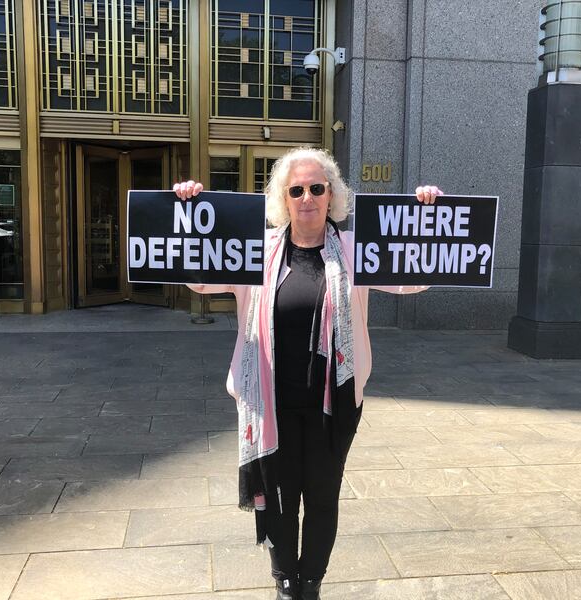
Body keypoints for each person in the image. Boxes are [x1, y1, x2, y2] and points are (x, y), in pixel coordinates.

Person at [173, 147, 441, 600]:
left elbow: (413, 278)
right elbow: (199, 278)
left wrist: (427, 216)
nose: (307, 198)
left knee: (321, 496)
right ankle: (284, 582)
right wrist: (186, 210)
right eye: (296, 190)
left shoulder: (355, 250)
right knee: (280, 497)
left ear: (332, 194)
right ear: (284, 198)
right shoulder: (255, 249)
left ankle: (311, 581)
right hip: (271, 403)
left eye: (317, 188)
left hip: (333, 404)